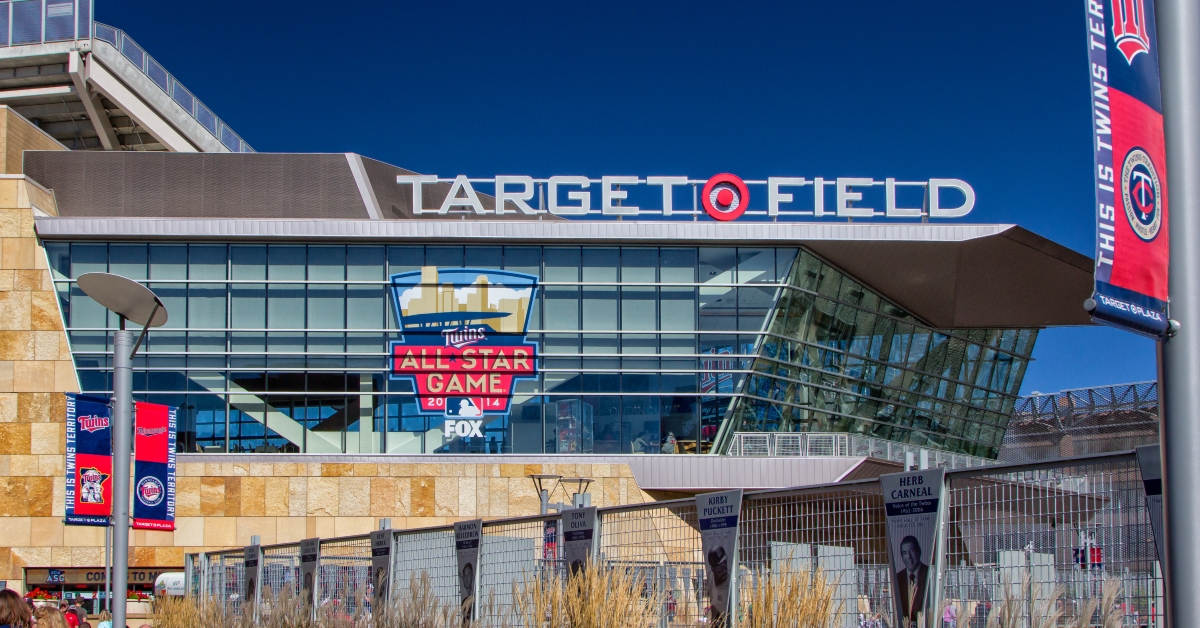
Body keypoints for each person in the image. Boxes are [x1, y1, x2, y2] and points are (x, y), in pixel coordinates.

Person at [894, 536, 929, 627]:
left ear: (919, 552)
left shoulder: (929, 575)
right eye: (905, 553)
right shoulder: (897, 578)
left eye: (911, 551)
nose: (908, 557)